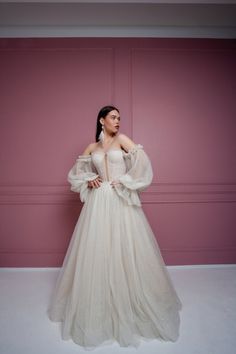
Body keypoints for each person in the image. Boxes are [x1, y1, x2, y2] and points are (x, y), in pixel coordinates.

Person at [47, 105, 182, 349]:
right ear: (101, 121)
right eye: (113, 117)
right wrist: (89, 179)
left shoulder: (122, 140)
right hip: (99, 203)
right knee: (98, 249)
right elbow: (75, 175)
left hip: (120, 199)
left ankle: (132, 300)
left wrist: (127, 181)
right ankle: (99, 303)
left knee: (126, 247)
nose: (117, 121)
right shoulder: (92, 148)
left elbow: (143, 162)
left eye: (119, 118)